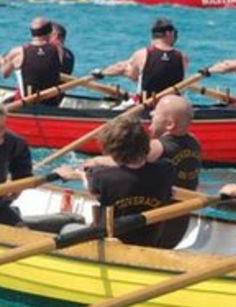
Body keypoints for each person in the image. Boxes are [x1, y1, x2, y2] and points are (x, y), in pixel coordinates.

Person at [84, 95, 201, 248]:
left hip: (156, 227)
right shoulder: (194, 143)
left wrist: (95, 162)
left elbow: (126, 160)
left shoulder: (157, 147)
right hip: (179, 224)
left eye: (156, 113)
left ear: (170, 124)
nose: (151, 114)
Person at [56, 116, 174, 247]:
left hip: (110, 244)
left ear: (110, 151)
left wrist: (78, 173)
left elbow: (89, 185)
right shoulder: (166, 169)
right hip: (148, 243)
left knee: (67, 228)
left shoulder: (101, 176)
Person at [96, 17, 189, 100]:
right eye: (174, 33)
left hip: (147, 104)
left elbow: (131, 74)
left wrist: (101, 73)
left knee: (127, 70)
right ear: (168, 33)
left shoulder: (142, 54)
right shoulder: (182, 56)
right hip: (175, 106)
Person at [0, 17, 69, 106]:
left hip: (27, 105)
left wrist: (2, 62)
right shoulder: (59, 50)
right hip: (52, 105)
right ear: (49, 32)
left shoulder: (18, 52)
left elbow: (4, 74)